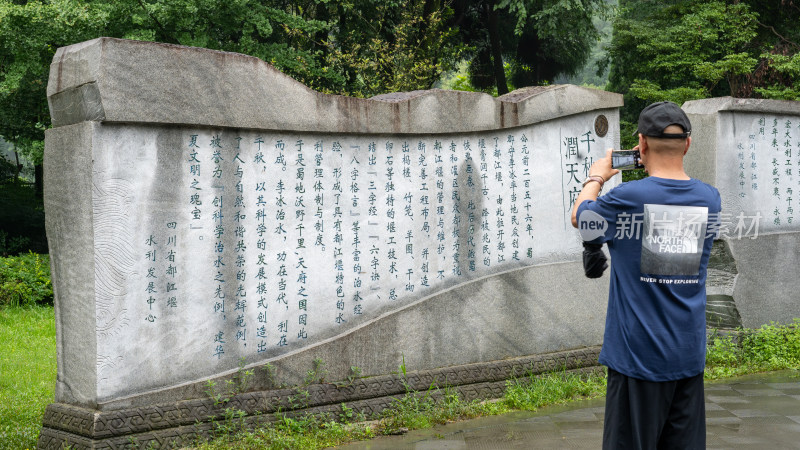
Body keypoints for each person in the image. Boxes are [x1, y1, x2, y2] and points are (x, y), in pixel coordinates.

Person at [571, 101, 721, 449]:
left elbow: (582, 218)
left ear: (640, 144)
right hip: (687, 357)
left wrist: (597, 176)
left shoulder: (628, 198)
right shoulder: (710, 199)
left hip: (637, 361)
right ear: (687, 144)